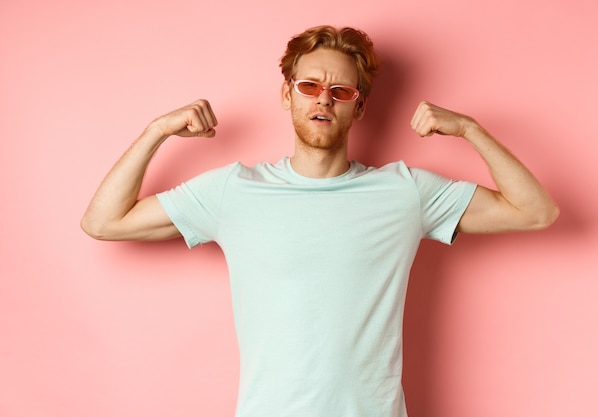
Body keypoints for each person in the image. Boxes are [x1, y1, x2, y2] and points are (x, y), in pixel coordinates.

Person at [81, 25, 558, 417]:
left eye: (340, 90)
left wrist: (470, 130)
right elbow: (104, 221)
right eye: (308, 86)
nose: (323, 100)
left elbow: (536, 211)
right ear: (287, 95)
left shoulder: (404, 192)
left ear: (359, 105)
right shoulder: (234, 191)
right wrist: (156, 131)